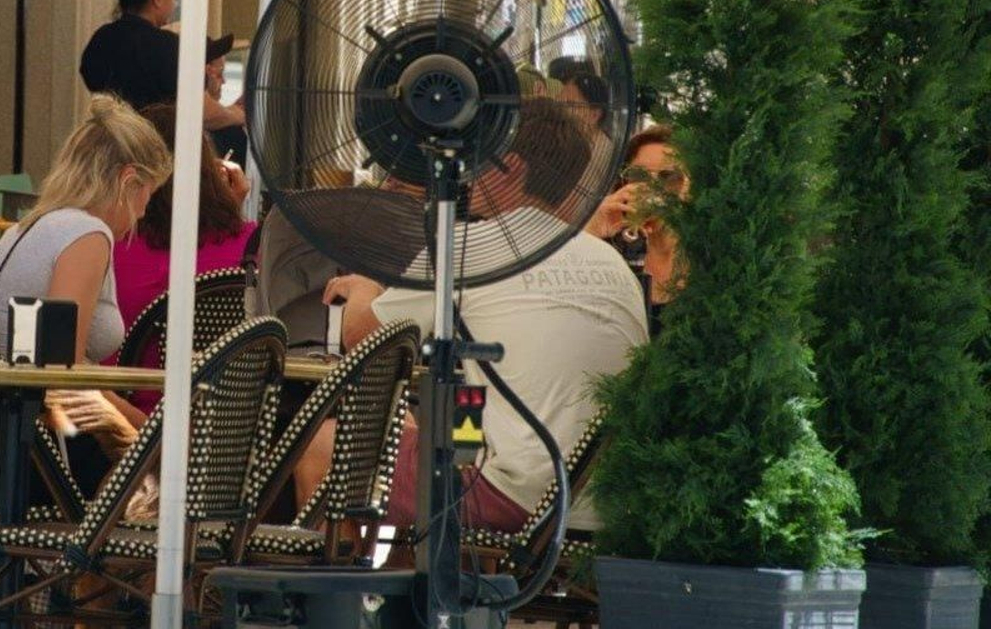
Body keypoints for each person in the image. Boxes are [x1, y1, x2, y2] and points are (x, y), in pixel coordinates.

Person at [315, 98, 648, 532]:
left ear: (508, 167)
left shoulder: (469, 248)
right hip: (609, 505)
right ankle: (412, 589)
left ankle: (336, 598)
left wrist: (365, 289)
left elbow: (364, 338)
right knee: (445, 425)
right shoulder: (614, 263)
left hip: (515, 498)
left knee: (323, 444)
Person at [0, 95, 172, 493]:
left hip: (1, 432)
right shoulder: (87, 234)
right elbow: (63, 371)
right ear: (127, 180)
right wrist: (144, 427)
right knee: (178, 479)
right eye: (145, 197)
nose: (141, 214)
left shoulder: (30, 226)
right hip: (44, 447)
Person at [106, 103, 256, 409]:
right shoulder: (251, 246)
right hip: (217, 421)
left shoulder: (108, 244)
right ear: (208, 170)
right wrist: (233, 209)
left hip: (123, 415)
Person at [79, 0, 244, 134]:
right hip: (154, 152)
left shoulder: (100, 42)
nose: (173, 4)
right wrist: (237, 114)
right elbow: (201, 111)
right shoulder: (167, 48)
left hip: (109, 149)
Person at [586, 124, 685, 328]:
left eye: (670, 177)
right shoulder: (604, 248)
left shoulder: (713, 256)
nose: (653, 188)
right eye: (640, 176)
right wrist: (591, 229)